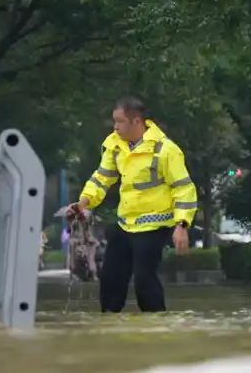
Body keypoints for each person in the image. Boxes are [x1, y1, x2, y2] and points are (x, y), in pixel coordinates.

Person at [69, 97, 197, 313]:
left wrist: (181, 226)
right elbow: (102, 178)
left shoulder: (165, 150)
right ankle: (109, 325)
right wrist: (84, 202)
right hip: (125, 222)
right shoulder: (115, 145)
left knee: (144, 279)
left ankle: (156, 325)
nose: (115, 127)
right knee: (110, 278)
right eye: (114, 122)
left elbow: (183, 188)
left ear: (137, 121)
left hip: (154, 225)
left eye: (120, 122)